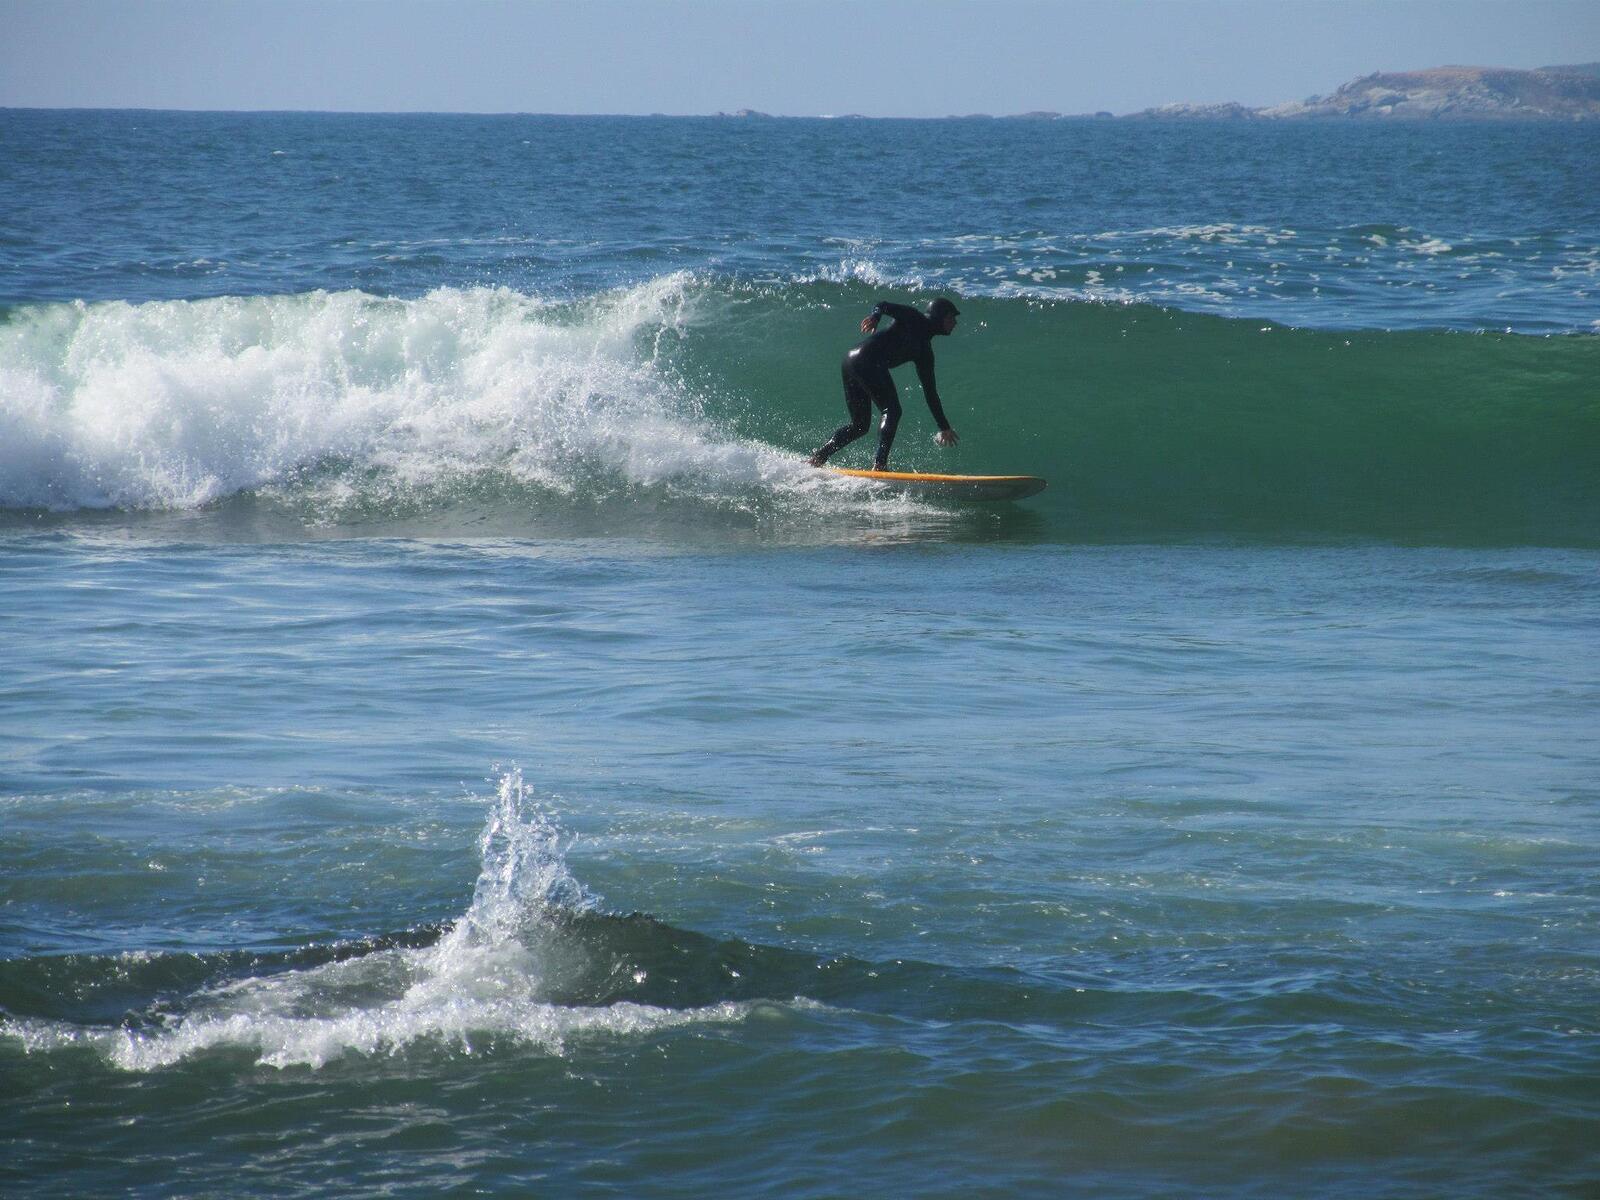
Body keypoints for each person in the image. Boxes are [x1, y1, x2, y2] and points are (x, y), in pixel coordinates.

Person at [808, 297, 961, 470]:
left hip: (852, 361)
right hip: (866, 360)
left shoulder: (924, 353)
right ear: (939, 316)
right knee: (892, 410)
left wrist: (944, 427)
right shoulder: (913, 317)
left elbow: (930, 392)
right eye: (951, 317)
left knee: (860, 426)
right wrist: (875, 317)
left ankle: (818, 458)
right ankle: (880, 464)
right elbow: (882, 305)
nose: (955, 323)